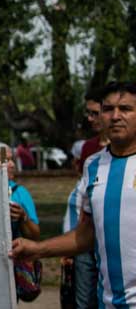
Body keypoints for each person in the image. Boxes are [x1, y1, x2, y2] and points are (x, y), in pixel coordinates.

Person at [11, 81, 136, 307]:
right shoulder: (94, 165)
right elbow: (86, 234)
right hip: (108, 303)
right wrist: (38, 249)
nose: (115, 116)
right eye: (108, 109)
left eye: (125, 109)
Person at [61, 87, 104, 309]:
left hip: (115, 243)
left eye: (95, 113)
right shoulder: (89, 149)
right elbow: (85, 195)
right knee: (84, 301)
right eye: (88, 113)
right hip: (88, 240)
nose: (90, 118)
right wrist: (71, 244)